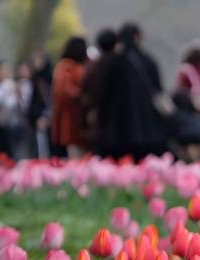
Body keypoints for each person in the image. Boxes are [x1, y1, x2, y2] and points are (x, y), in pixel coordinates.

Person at [102, 22, 169, 160]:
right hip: (149, 129)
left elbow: (104, 93)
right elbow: (158, 90)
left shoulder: (114, 61)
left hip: (119, 128)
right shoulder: (149, 61)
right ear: (137, 37)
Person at [51, 36, 88, 158]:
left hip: (77, 117)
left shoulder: (73, 66)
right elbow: (64, 91)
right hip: (70, 118)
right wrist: (82, 95)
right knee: (75, 153)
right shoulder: (66, 66)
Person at [82, 28, 117, 155]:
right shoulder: (122, 64)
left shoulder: (93, 67)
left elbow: (85, 93)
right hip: (119, 122)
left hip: (98, 120)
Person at [27, 50, 54, 158]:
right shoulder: (36, 79)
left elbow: (51, 100)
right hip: (39, 119)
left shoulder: (49, 78)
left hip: (48, 118)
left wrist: (46, 116)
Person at [5, 63, 34, 160]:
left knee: (26, 148)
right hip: (15, 122)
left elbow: (26, 105)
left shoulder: (32, 84)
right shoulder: (14, 84)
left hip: (27, 121)